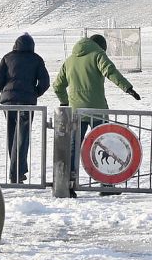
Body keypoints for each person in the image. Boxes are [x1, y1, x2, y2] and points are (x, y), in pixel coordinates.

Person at [53, 34, 140, 196]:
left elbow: (57, 85)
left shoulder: (70, 60)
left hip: (76, 111)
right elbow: (110, 71)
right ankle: (105, 185)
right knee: (104, 145)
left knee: (73, 147)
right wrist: (127, 88)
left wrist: (65, 103)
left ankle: (68, 184)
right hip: (97, 111)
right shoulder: (98, 55)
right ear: (101, 46)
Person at [0, 33, 51, 183]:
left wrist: (5, 91)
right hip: (26, 102)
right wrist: (34, 93)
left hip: (8, 103)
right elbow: (45, 82)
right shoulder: (36, 59)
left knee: (12, 135)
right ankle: (16, 173)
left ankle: (18, 171)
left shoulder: (7, 57)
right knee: (22, 137)